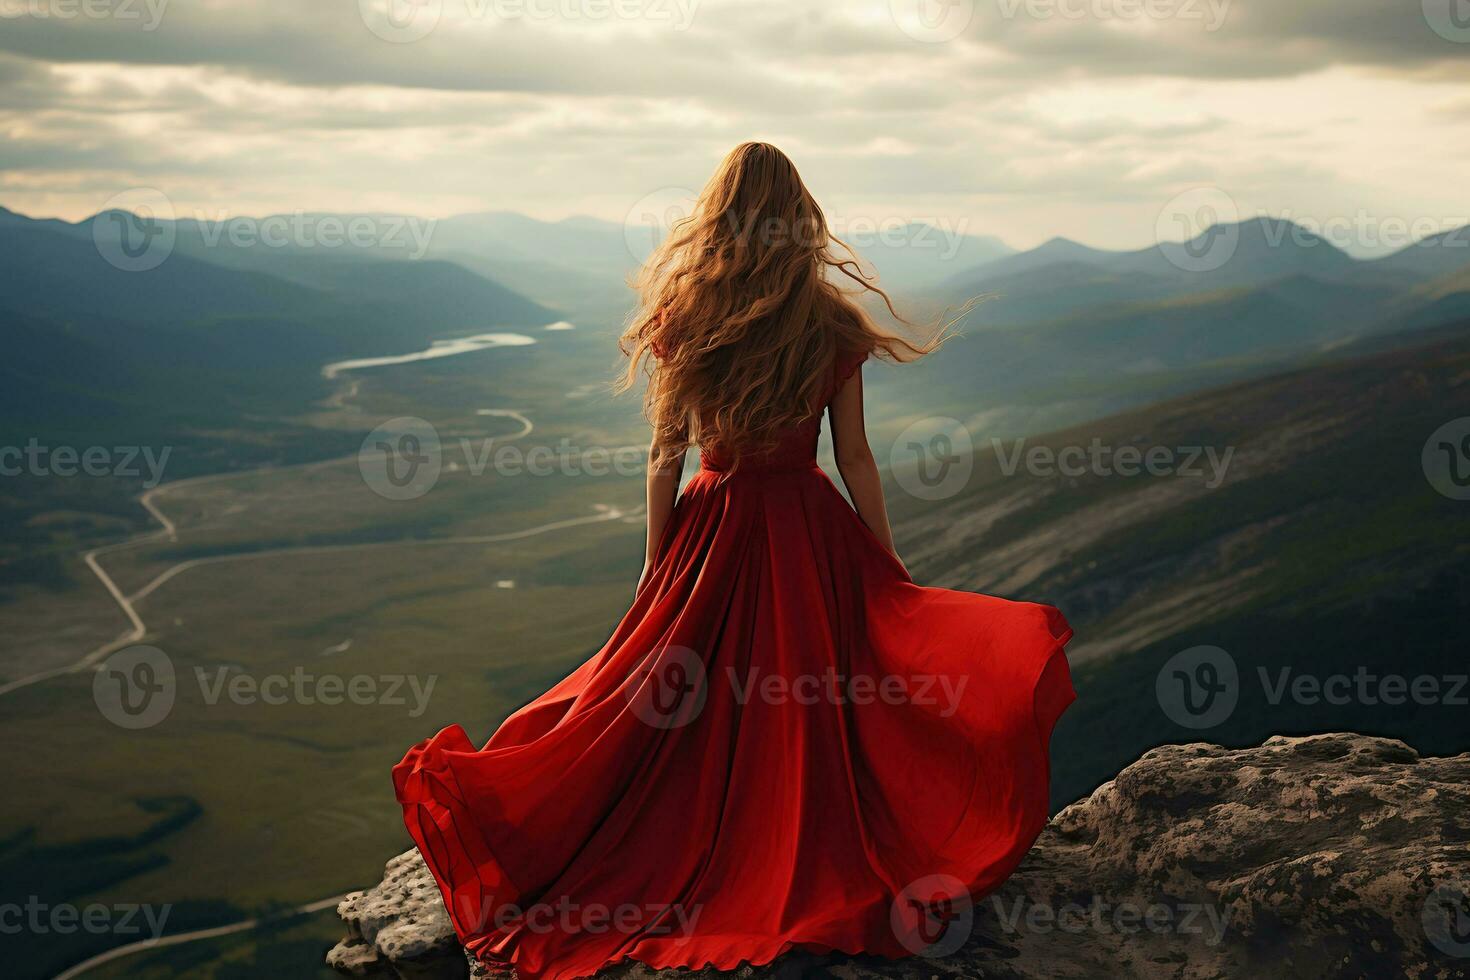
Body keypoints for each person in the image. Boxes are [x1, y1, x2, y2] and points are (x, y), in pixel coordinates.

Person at [394, 141, 1075, 980]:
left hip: (711, 528)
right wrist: (883, 558)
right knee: (815, 705)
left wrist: (655, 566)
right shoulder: (829, 322)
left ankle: (682, 840)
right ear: (803, 220)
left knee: (666, 703)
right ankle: (794, 839)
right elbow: (855, 456)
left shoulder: (685, 316)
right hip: (806, 528)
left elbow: (663, 455)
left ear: (717, 217)